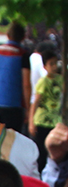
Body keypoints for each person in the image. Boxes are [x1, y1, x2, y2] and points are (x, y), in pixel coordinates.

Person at [0, 21, 31, 133]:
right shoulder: (22, 54)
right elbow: (26, 84)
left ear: (8, 35)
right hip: (13, 106)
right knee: (12, 140)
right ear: (23, 37)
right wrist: (28, 109)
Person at [28, 42, 60, 171]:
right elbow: (36, 102)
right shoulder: (43, 82)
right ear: (45, 66)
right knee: (41, 153)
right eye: (50, 64)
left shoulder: (61, 80)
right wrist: (31, 122)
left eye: (55, 63)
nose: (54, 67)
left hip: (55, 122)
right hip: (42, 121)